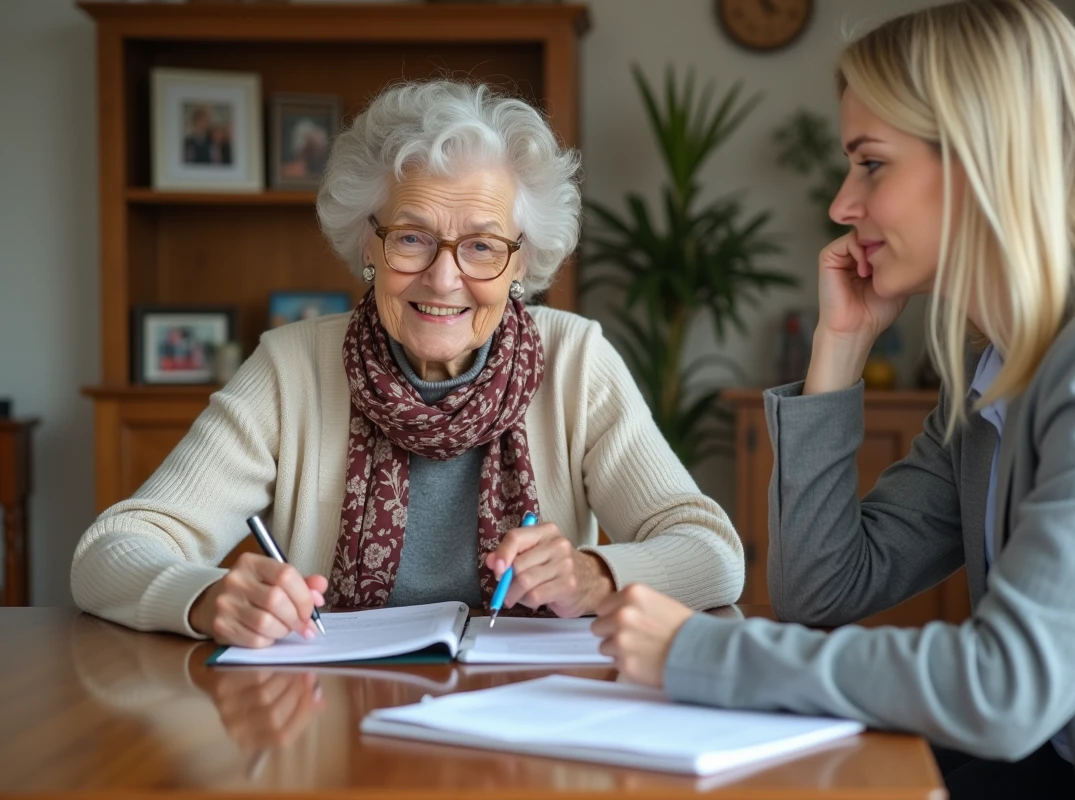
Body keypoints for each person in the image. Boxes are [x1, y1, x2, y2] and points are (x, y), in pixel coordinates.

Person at [592, 2, 1075, 798]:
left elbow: (1008, 684)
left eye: (871, 164)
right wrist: (838, 349)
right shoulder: (994, 370)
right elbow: (825, 590)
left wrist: (697, 653)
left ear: (986, 157)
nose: (843, 206)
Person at [72, 81, 744, 649]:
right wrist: (208, 596)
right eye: (413, 238)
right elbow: (110, 552)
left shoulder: (576, 361)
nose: (444, 278)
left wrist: (596, 575)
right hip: (331, 719)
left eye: (482, 246)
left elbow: (711, 551)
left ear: (522, 261)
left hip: (532, 719)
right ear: (369, 242)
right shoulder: (291, 369)